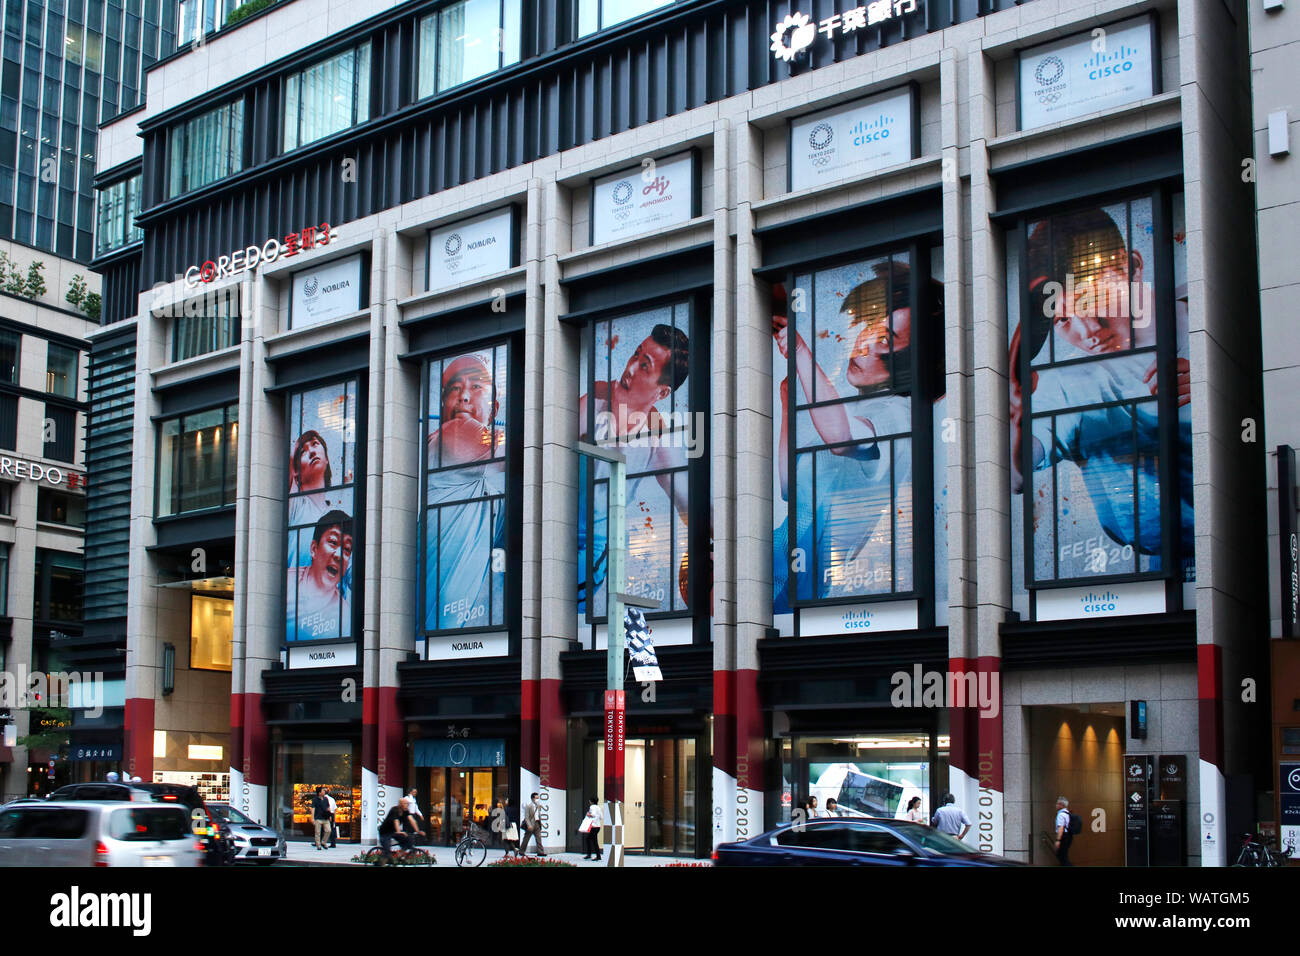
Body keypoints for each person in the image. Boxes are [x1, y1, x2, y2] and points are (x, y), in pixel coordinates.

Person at [1009, 205, 1193, 575]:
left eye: (1092, 300)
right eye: (1062, 319)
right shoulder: (1072, 386)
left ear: (1133, 265)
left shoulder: (1209, 310)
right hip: (1157, 563)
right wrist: (1011, 415)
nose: (1089, 330)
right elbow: (1016, 472)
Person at [772, 262, 921, 609]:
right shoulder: (848, 404)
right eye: (869, 326)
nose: (864, 343)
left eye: (885, 339)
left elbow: (841, 439)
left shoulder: (898, 414)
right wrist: (785, 407)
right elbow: (788, 488)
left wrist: (799, 352)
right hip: (787, 549)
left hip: (818, 571)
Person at [577, 323, 692, 612]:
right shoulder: (593, 400)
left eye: (644, 366)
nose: (629, 369)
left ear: (663, 393)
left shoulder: (656, 437)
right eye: (635, 355)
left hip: (588, 553)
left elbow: (690, 506)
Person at [425, 353, 507, 630]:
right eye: (454, 388)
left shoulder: (481, 470)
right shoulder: (455, 432)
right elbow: (527, 448)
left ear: (494, 407)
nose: (463, 397)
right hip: (444, 626)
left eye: (475, 387)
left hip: (454, 623)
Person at [286, 510, 353, 641]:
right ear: (314, 549)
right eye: (333, 542)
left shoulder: (345, 616)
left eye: (347, 549)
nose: (339, 555)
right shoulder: (286, 585)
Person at [519, 792, 546, 856]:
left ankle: (540, 852)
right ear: (532, 798)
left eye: (538, 797)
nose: (537, 799)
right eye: (536, 797)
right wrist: (529, 825)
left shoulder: (538, 806)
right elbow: (526, 817)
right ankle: (521, 851)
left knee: (539, 838)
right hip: (531, 824)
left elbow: (538, 815)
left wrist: (540, 822)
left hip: (537, 823)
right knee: (526, 838)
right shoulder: (528, 806)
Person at [1054, 796, 1073, 866]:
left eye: (1057, 803)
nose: (1056, 805)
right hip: (1069, 836)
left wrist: (1058, 840)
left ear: (1062, 805)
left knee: (1062, 857)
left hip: (1063, 837)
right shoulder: (1067, 813)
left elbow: (1061, 827)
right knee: (1064, 856)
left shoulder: (1061, 815)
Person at [311, 786, 331, 851]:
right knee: (317, 832)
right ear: (319, 793)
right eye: (323, 791)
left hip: (325, 817)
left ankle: (323, 842)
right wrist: (312, 818)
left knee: (328, 830)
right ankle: (318, 845)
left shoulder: (326, 799)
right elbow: (313, 809)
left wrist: (330, 815)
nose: (324, 792)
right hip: (318, 818)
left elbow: (328, 807)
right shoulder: (315, 800)